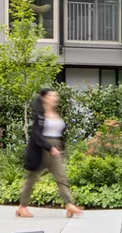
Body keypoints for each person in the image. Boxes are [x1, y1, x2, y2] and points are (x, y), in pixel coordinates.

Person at [16, 88, 82, 218]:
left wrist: (59, 147)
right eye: (52, 96)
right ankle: (22, 207)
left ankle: (69, 205)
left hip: (56, 148)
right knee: (31, 179)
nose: (55, 98)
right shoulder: (39, 115)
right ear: (44, 98)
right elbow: (36, 134)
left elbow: (60, 133)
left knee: (61, 177)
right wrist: (49, 147)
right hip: (41, 149)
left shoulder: (56, 114)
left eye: (55, 96)